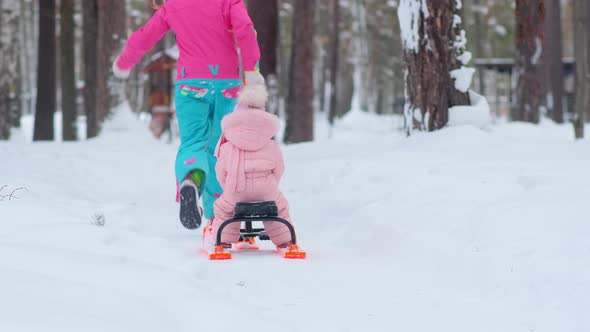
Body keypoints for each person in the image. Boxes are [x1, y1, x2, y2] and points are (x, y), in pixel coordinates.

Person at [112, 0, 264, 229]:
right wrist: (252, 72)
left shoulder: (174, 4)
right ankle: (217, 215)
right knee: (219, 147)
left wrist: (124, 63)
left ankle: (191, 181)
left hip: (191, 84)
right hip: (227, 85)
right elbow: (245, 31)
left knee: (193, 142)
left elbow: (145, 35)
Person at [210, 82, 294, 248]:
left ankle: (224, 240)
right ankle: (285, 240)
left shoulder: (227, 146)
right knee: (280, 207)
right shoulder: (270, 145)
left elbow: (220, 172)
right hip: (266, 191)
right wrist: (268, 183)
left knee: (224, 209)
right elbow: (279, 168)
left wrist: (229, 186)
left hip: (236, 191)